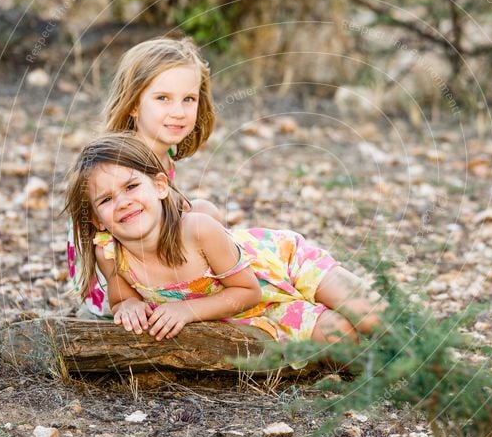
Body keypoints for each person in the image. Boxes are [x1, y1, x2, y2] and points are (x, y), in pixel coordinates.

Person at [65, 134, 382, 346]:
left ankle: (422, 347)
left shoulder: (198, 230)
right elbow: (121, 297)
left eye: (132, 186)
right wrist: (130, 304)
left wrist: (185, 311)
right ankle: (393, 365)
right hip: (250, 311)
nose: (123, 202)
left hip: (277, 264)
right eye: (106, 200)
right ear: (95, 219)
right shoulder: (109, 251)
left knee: (370, 315)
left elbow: (248, 289)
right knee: (342, 338)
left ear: (160, 186)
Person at [67, 37, 223, 317]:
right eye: (163, 98)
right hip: (115, 284)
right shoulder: (122, 159)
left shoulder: (164, 152)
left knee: (203, 214)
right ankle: (205, 295)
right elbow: (106, 232)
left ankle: (214, 290)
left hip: (143, 259)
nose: (178, 112)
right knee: (202, 214)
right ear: (134, 104)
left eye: (188, 99)